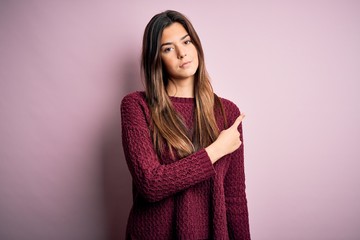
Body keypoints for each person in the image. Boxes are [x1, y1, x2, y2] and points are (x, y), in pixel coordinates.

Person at [120, 10, 250, 239]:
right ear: (156, 59)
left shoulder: (227, 112)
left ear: (196, 45)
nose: (182, 53)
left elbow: (235, 197)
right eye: (168, 48)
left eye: (186, 41)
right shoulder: (136, 106)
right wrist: (216, 150)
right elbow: (151, 184)